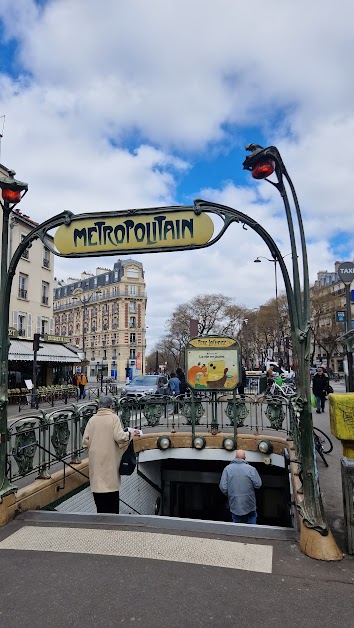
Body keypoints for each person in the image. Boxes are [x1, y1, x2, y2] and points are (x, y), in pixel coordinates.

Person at [82, 396, 141, 513]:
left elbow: (85, 443)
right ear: (110, 406)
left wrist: (94, 452)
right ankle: (112, 527)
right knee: (112, 503)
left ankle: (101, 525)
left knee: (100, 506)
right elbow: (119, 437)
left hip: (96, 465)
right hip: (110, 464)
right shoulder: (114, 418)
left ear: (100, 407)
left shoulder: (92, 420)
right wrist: (131, 434)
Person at [219, 449, 262, 524]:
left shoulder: (227, 469)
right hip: (249, 504)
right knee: (252, 522)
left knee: (237, 527)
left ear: (235, 457)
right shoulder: (251, 469)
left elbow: (223, 487)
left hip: (235, 504)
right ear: (245, 458)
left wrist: (231, 495)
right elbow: (258, 485)